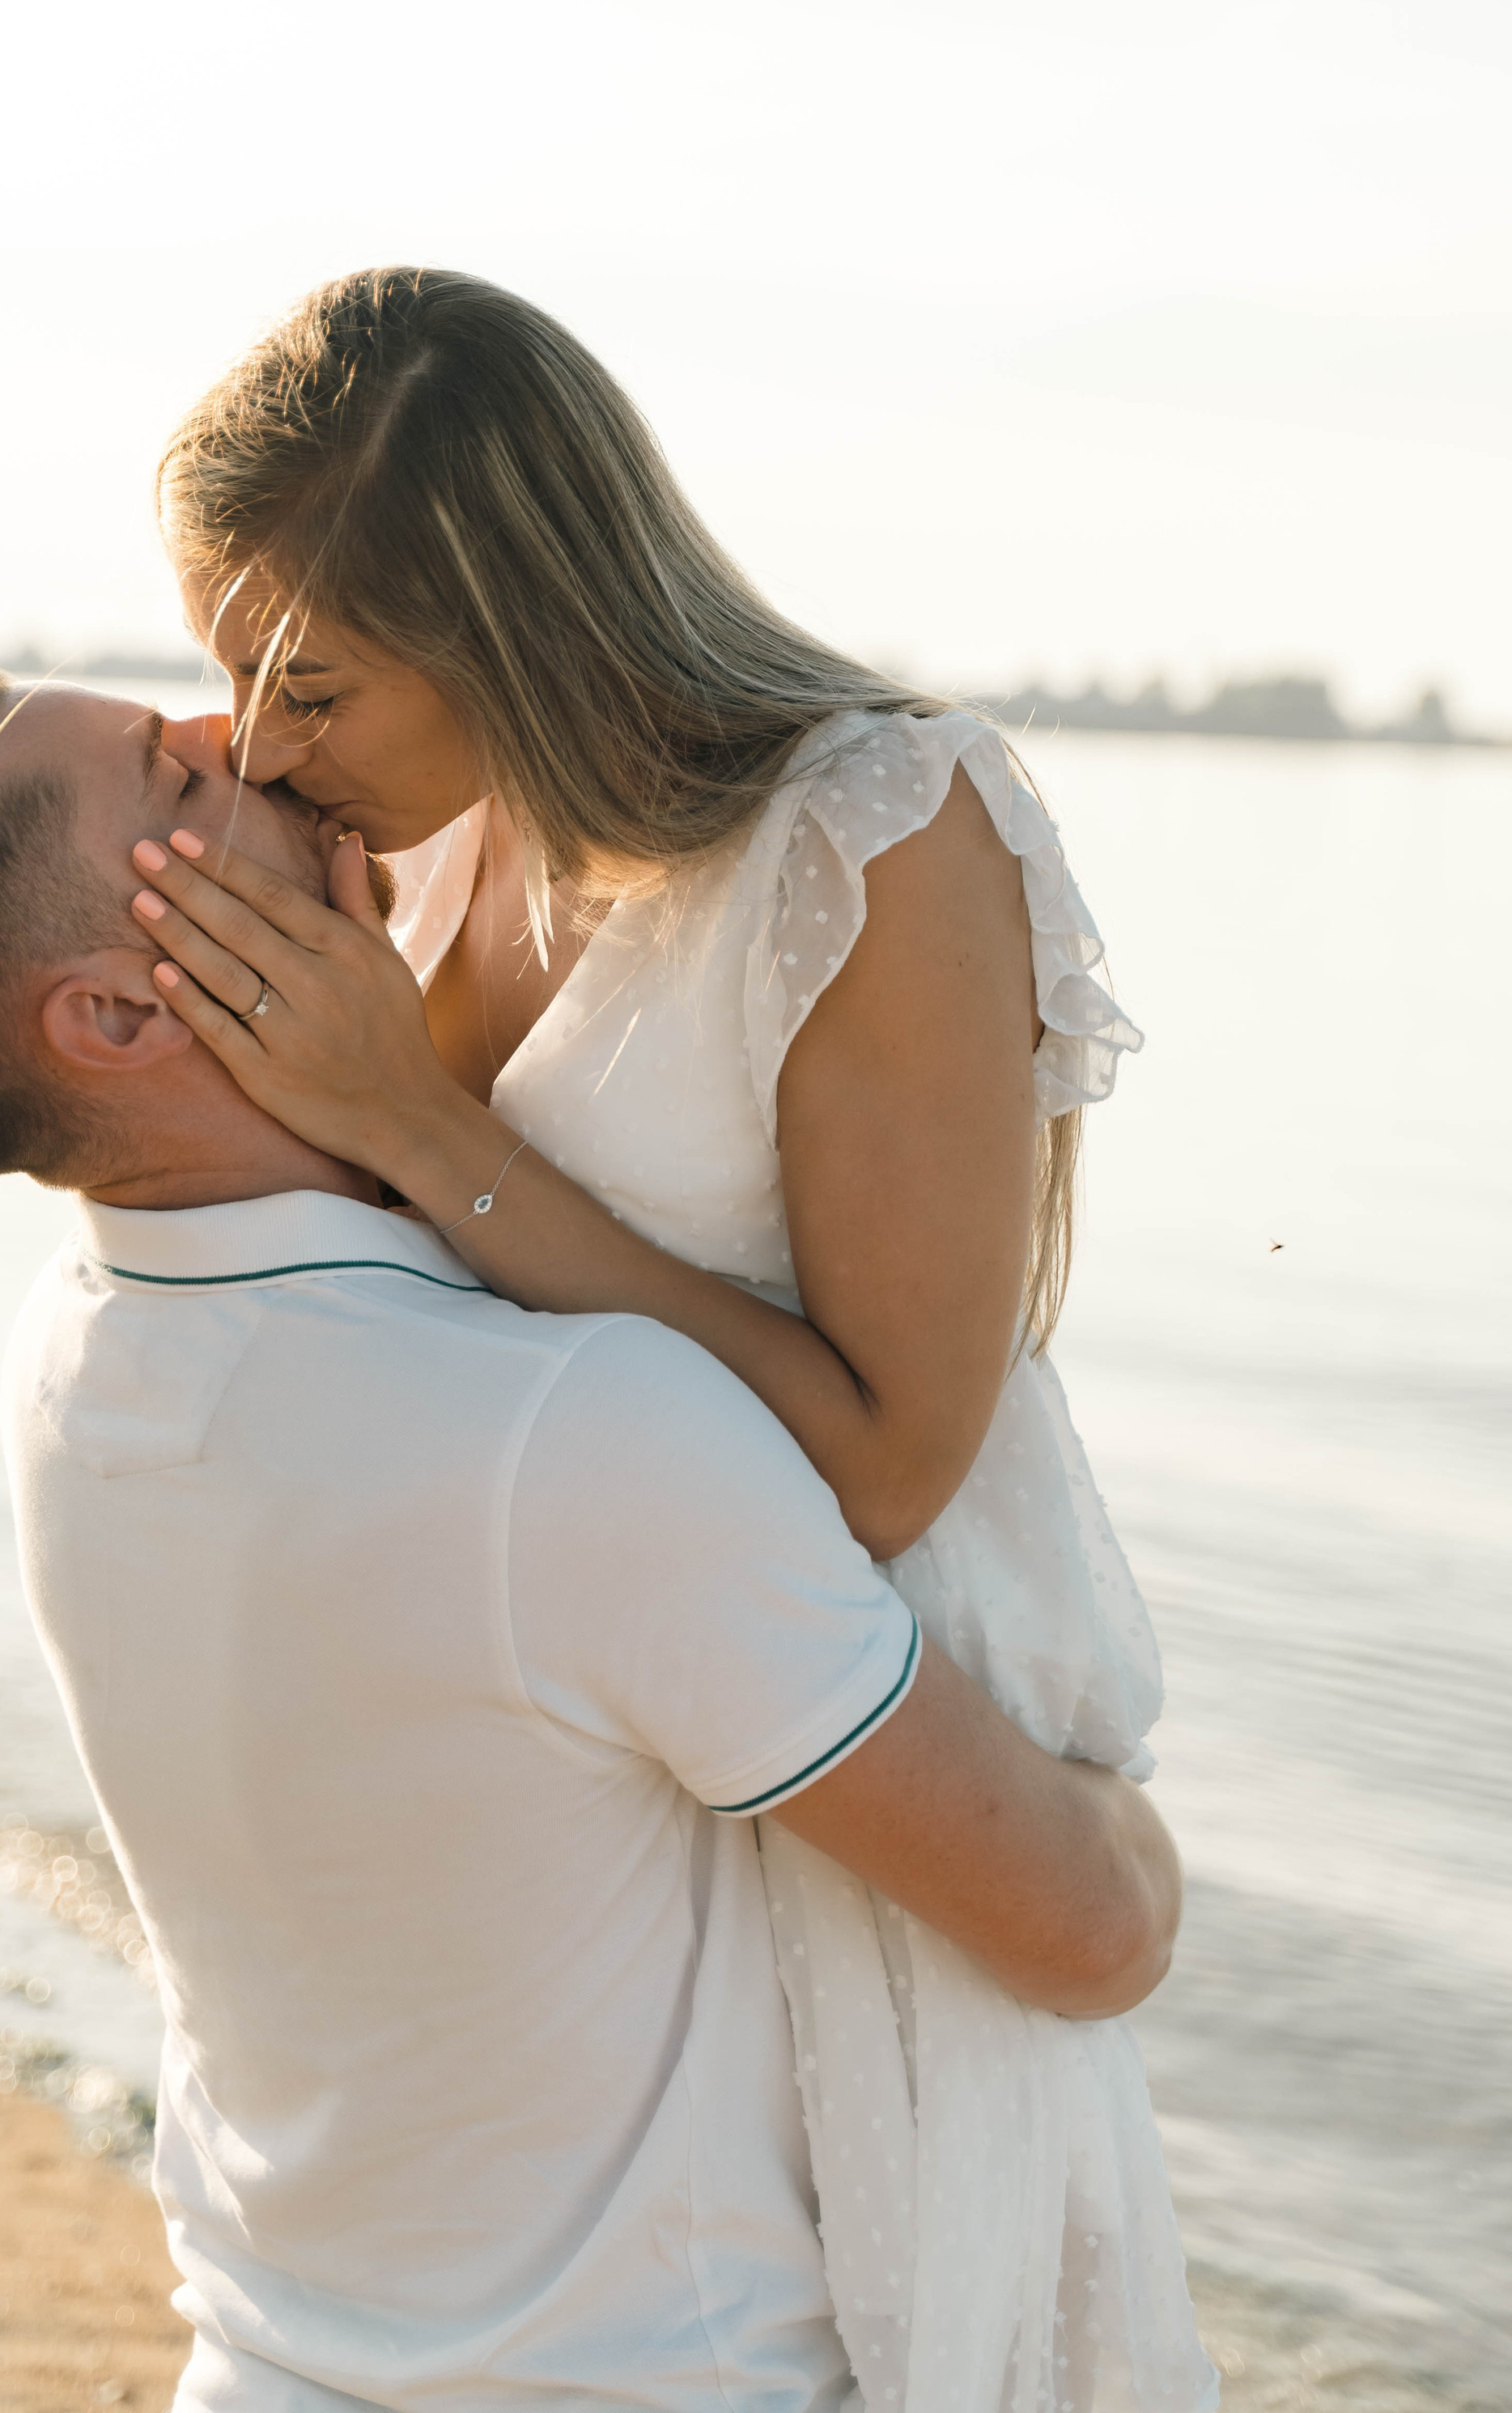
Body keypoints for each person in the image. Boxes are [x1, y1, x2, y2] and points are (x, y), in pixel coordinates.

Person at [0, 657, 1186, 2413]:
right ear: (117, 1022)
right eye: (174, 786)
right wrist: (1118, 1808)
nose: (238, 732)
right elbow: (1088, 1935)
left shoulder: (71, 1358)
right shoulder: (567, 1442)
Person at [137, 268, 1216, 2413]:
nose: (265, 745)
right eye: (222, 679)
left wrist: (417, 1124)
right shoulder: (444, 860)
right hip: (617, 1814)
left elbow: (894, 1461)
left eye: (311, 684)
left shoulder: (882, 830)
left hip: (876, 1804)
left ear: (503, 606)